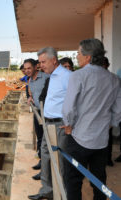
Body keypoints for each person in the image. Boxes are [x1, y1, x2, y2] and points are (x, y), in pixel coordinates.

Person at [62, 38, 121, 200]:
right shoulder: (114, 79)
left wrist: (68, 125)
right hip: (101, 140)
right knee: (99, 180)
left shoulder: (78, 76)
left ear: (88, 57)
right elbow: (118, 110)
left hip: (78, 138)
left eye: (78, 53)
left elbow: (68, 107)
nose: (77, 57)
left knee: (73, 180)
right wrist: (110, 125)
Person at [28, 47, 71, 200]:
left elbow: (76, 101)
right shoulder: (51, 76)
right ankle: (47, 189)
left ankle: (61, 193)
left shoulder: (67, 76)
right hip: (48, 124)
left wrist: (70, 123)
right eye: (39, 62)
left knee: (60, 161)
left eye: (43, 62)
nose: (41, 65)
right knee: (45, 156)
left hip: (60, 125)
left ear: (54, 60)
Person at [24, 59, 50, 178]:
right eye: (25, 69)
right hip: (37, 113)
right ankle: (41, 162)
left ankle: (46, 170)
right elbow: (30, 94)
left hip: (47, 115)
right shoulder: (30, 81)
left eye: (29, 68)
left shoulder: (46, 77)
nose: (27, 71)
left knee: (47, 141)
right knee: (40, 139)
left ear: (35, 67)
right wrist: (29, 98)